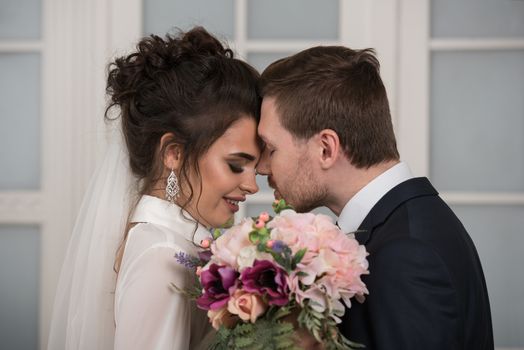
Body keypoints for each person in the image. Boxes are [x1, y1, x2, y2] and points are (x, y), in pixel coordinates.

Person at [256, 46, 494, 349]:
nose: (262, 167)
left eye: (271, 148)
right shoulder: (405, 225)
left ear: (326, 148)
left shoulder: (406, 254)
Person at [47, 27, 261, 350]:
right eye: (235, 165)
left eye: (255, 168)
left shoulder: (175, 245)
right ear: (174, 153)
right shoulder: (161, 256)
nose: (252, 185)